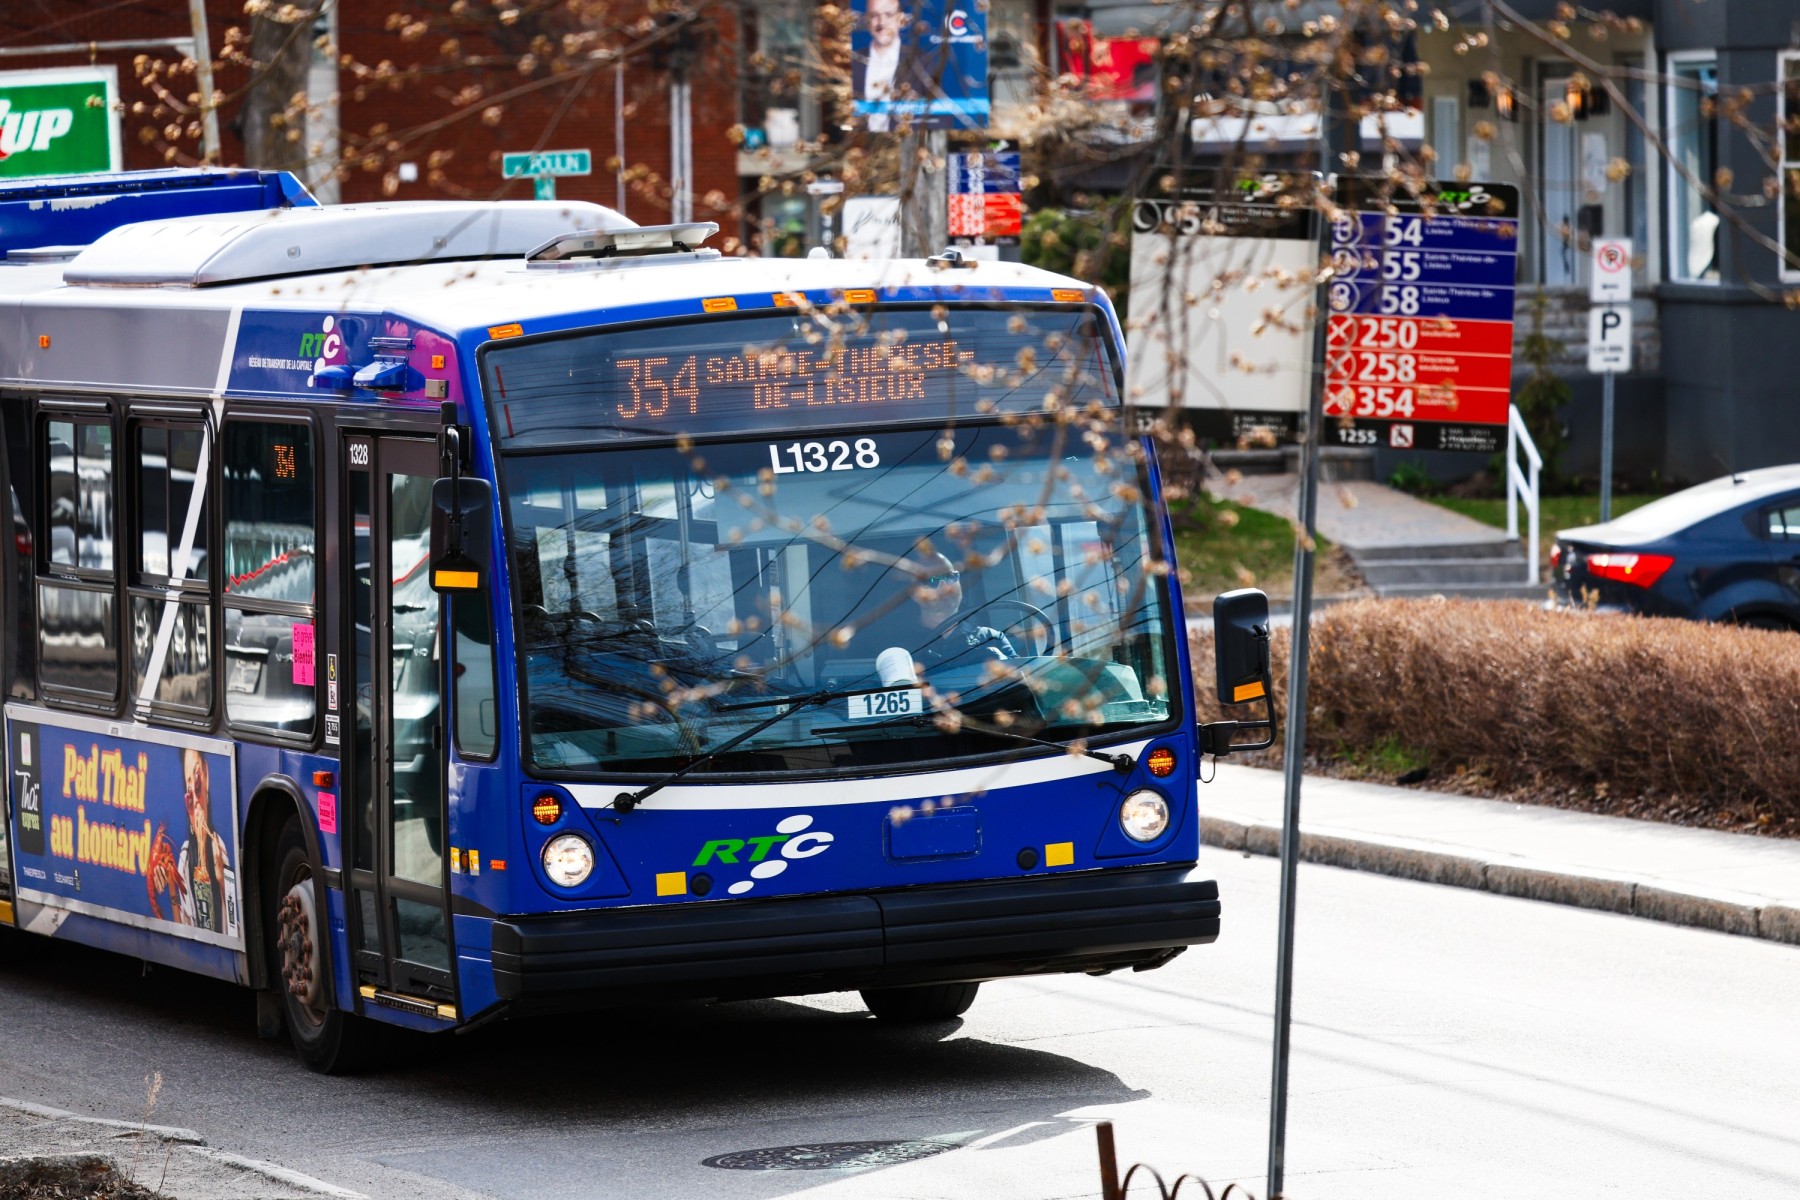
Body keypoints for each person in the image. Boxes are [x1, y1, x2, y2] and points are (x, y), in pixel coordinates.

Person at [906, 552, 1016, 671]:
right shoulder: (902, 647)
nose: (944, 587)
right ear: (914, 593)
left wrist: (1002, 664)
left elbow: (1024, 683)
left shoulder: (990, 638)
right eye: (933, 580)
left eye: (950, 577)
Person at [852, 0, 941, 133]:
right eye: (874, 15)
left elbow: (940, 114)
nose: (881, 22)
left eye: (888, 14)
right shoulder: (854, 60)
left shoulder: (922, 62)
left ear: (901, 19)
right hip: (862, 147)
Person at [177, 749, 239, 937]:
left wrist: (221, 881)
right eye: (190, 793)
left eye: (198, 788)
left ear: (207, 774)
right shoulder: (185, 858)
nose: (196, 803)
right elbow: (186, 927)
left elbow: (235, 928)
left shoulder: (221, 848)